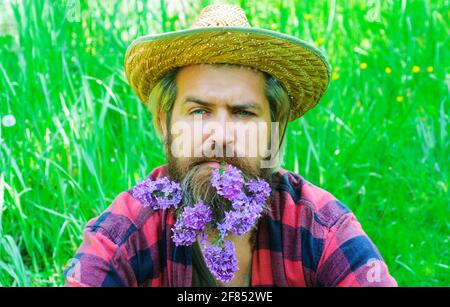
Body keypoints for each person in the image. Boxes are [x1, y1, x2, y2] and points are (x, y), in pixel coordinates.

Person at [64, 3, 397, 287]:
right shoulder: (123, 235)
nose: (220, 136)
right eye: (198, 111)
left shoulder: (320, 228)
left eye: (243, 113)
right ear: (165, 124)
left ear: (273, 131)